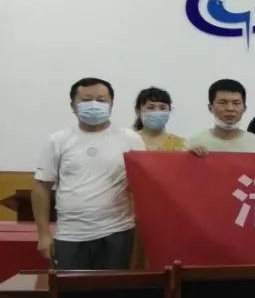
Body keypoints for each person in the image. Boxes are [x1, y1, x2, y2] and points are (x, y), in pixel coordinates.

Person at [32, 77, 145, 269]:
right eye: (86, 100)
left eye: (101, 100)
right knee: (70, 288)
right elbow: (41, 188)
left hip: (117, 233)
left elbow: (142, 188)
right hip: (70, 235)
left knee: (114, 288)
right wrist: (43, 234)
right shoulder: (57, 140)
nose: (94, 105)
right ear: (72, 105)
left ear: (111, 104)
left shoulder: (131, 139)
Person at [187, 79, 255, 156]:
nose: (230, 108)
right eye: (222, 102)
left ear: (244, 108)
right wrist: (188, 156)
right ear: (210, 108)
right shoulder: (195, 143)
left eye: (236, 103)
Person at [132, 86, 184, 151]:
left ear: (169, 110)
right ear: (138, 111)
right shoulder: (130, 141)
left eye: (162, 108)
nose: (157, 112)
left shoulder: (180, 144)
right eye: (151, 108)